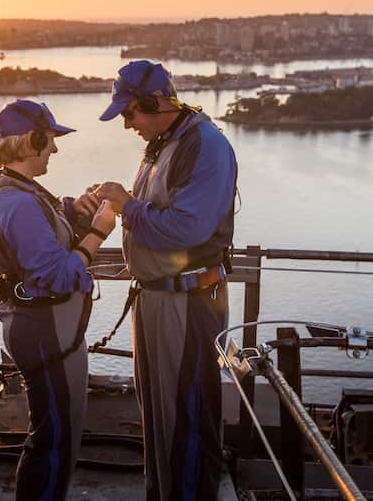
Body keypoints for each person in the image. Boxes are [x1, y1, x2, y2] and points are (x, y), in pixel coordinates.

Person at [83, 60, 237, 500]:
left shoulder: (204, 145)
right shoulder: (165, 142)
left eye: (130, 114)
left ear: (154, 103)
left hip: (186, 301)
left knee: (184, 417)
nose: (126, 124)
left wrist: (126, 205)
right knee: (158, 415)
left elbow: (188, 229)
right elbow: (153, 211)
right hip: (158, 298)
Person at [0, 99, 116, 501]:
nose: (54, 149)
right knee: (52, 439)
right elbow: (56, 275)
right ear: (32, 140)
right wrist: (98, 233)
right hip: (45, 333)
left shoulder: (19, 191)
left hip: (50, 331)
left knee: (61, 432)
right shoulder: (17, 202)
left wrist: (74, 210)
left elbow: (42, 230)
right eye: (50, 140)